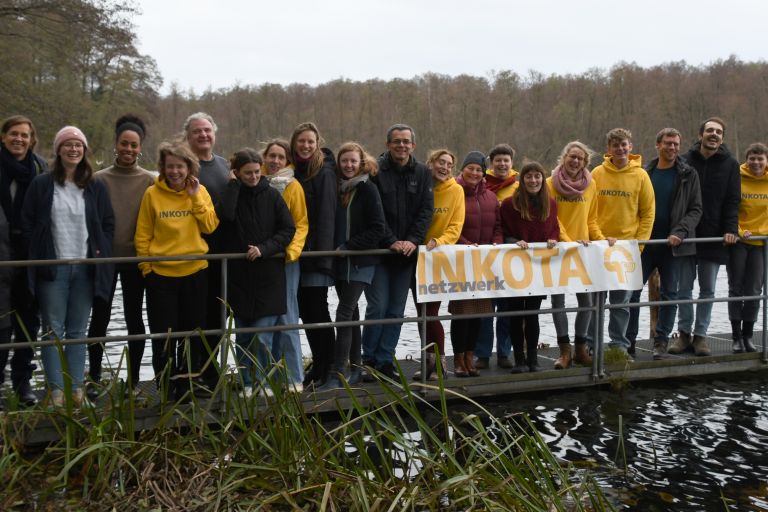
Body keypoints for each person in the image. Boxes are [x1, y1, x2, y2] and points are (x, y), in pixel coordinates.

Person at [21, 126, 114, 407]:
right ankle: (56, 393)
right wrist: (38, 253)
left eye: (78, 145)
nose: (73, 149)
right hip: (53, 269)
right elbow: (27, 223)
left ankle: (76, 391)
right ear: (58, 149)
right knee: (52, 330)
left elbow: (107, 224)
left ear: (84, 151)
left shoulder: (95, 185)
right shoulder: (43, 183)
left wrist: (101, 250)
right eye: (68, 144)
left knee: (77, 332)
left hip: (85, 268)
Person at [134, 140, 219, 399]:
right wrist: (147, 268)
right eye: (170, 166)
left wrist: (194, 200)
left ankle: (188, 384)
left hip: (195, 272)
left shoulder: (200, 190)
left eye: (180, 166)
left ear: (189, 167)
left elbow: (210, 226)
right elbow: (143, 235)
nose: (175, 172)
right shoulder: (152, 194)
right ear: (162, 167)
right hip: (161, 277)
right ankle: (166, 385)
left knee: (193, 334)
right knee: (164, 335)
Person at [215, 148, 295, 396]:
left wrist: (264, 249)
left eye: (256, 172)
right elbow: (224, 217)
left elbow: (287, 230)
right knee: (243, 336)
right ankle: (248, 382)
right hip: (239, 277)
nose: (252, 177)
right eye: (247, 173)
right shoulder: (231, 194)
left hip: (268, 275)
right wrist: (232, 187)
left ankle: (263, 381)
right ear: (236, 173)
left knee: (262, 336)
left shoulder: (272, 196)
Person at [87, 114, 155, 392]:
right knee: (100, 317)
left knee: (134, 318)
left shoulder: (150, 181)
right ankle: (94, 378)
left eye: (134, 145)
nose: (128, 149)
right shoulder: (96, 180)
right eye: (124, 144)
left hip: (135, 259)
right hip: (104, 259)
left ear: (140, 148)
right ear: (116, 145)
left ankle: (135, 379)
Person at [362, 124, 433, 379]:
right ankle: (367, 360)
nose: (401, 145)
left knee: (396, 310)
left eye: (406, 141)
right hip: (380, 253)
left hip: (407, 255)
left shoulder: (424, 173)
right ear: (387, 144)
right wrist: (390, 240)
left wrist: (412, 240)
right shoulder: (375, 172)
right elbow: (373, 211)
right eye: (396, 141)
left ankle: (384, 360)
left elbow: (426, 211)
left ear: (413, 145)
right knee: (377, 307)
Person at [626, 128, 702, 359]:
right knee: (631, 294)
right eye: (668, 143)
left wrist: (680, 231)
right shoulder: (644, 172)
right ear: (657, 145)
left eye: (676, 144)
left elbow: (695, 209)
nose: (672, 148)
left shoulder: (688, 173)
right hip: (644, 245)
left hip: (673, 245)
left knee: (670, 295)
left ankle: (661, 341)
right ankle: (628, 342)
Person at [670, 117, 740, 356]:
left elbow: (733, 201)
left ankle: (701, 337)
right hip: (686, 234)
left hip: (714, 237)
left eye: (718, 132)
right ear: (701, 134)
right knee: (683, 289)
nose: (714, 134)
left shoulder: (731, 164)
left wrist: (731, 230)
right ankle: (683, 334)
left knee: (708, 290)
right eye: (709, 130)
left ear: (722, 137)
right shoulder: (684, 161)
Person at [319, 142, 385, 390]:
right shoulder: (339, 188)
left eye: (353, 161)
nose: (348, 165)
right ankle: (356, 369)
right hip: (339, 262)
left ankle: (337, 374)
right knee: (352, 312)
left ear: (361, 163)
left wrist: (349, 246)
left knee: (344, 313)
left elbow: (378, 228)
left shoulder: (368, 189)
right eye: (344, 161)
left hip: (360, 262)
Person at [591, 128, 655, 356]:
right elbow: (590, 209)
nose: (620, 149)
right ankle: (592, 346)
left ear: (631, 146)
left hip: (627, 249)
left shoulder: (641, 175)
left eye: (624, 144)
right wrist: (596, 236)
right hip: (599, 246)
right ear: (608, 149)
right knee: (595, 301)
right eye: (615, 145)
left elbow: (648, 213)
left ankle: (618, 347)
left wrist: (640, 244)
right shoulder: (597, 173)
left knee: (621, 303)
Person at [0, 115, 48, 405]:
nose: (19, 139)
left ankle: (23, 383)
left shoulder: (39, 169)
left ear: (32, 139)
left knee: (29, 323)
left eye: (24, 135)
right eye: (14, 134)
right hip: (2, 254)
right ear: (3, 137)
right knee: (2, 322)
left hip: (30, 254)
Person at [546, 141, 604, 368]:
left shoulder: (591, 185)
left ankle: (581, 349)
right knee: (558, 300)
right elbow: (551, 218)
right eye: (572, 156)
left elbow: (592, 219)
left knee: (586, 300)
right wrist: (568, 242)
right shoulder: (550, 184)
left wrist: (601, 240)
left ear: (585, 162)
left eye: (580, 158)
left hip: (583, 250)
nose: (576, 161)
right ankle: (564, 352)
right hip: (559, 249)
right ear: (564, 157)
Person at [184, 112, 229, 389]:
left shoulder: (224, 166)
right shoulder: (183, 166)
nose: (203, 135)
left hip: (224, 255)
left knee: (218, 317)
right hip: (191, 254)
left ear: (214, 133)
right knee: (194, 318)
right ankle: (191, 374)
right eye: (197, 131)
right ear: (188, 136)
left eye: (207, 130)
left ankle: (213, 374)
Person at [289, 122, 337, 387]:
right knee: (306, 312)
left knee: (317, 312)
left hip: (316, 255)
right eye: (301, 141)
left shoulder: (324, 171)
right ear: (294, 142)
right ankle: (318, 365)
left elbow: (327, 215)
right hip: (296, 253)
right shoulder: (292, 170)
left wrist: (323, 257)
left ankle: (327, 366)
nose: (306, 146)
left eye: (310, 141)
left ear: (317, 143)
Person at [500, 161, 559, 373]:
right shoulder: (509, 204)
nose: (533, 180)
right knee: (516, 314)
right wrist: (513, 240)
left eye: (537, 176)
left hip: (539, 267)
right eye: (529, 176)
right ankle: (519, 360)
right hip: (516, 265)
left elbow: (555, 228)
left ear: (542, 179)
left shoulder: (550, 203)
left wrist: (553, 238)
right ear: (522, 179)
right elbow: (503, 231)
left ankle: (533, 359)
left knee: (532, 314)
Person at [411, 149, 465, 380]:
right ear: (431, 163)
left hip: (438, 257)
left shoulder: (456, 190)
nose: (444, 167)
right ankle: (428, 362)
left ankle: (440, 363)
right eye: (440, 163)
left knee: (431, 312)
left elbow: (456, 224)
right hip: (416, 255)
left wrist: (439, 242)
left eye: (449, 164)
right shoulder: (422, 185)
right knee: (421, 312)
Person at [449, 151, 502, 377]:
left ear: (484, 173)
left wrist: (496, 244)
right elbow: (449, 225)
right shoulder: (454, 192)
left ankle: (471, 356)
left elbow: (498, 225)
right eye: (470, 168)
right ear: (463, 169)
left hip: (484, 263)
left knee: (480, 313)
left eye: (479, 170)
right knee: (461, 313)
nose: (474, 172)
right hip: (461, 260)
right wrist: (466, 244)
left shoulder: (490, 196)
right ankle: (459, 359)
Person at [263, 139, 308, 391]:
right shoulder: (255, 182)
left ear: (287, 161)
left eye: (281, 157)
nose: (275, 161)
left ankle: (293, 377)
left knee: (288, 316)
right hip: (263, 260)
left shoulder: (293, 186)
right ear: (265, 157)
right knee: (265, 320)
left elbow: (301, 223)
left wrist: (292, 251)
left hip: (287, 260)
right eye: (272, 156)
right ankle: (267, 376)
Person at [475, 143, 518, 369]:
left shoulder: (518, 187)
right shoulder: (481, 185)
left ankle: (504, 353)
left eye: (506, 160)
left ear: (512, 164)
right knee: (484, 308)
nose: (502, 164)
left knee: (507, 309)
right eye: (498, 160)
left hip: (511, 254)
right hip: (485, 254)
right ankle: (482, 354)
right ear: (491, 164)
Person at [726, 143, 768, 353]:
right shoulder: (737, 177)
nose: (756, 162)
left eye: (760, 158)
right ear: (746, 159)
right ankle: (735, 337)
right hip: (739, 242)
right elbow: (731, 206)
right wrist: (739, 230)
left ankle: (748, 335)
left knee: (754, 291)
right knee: (736, 289)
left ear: (766, 161)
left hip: (761, 244)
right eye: (752, 158)